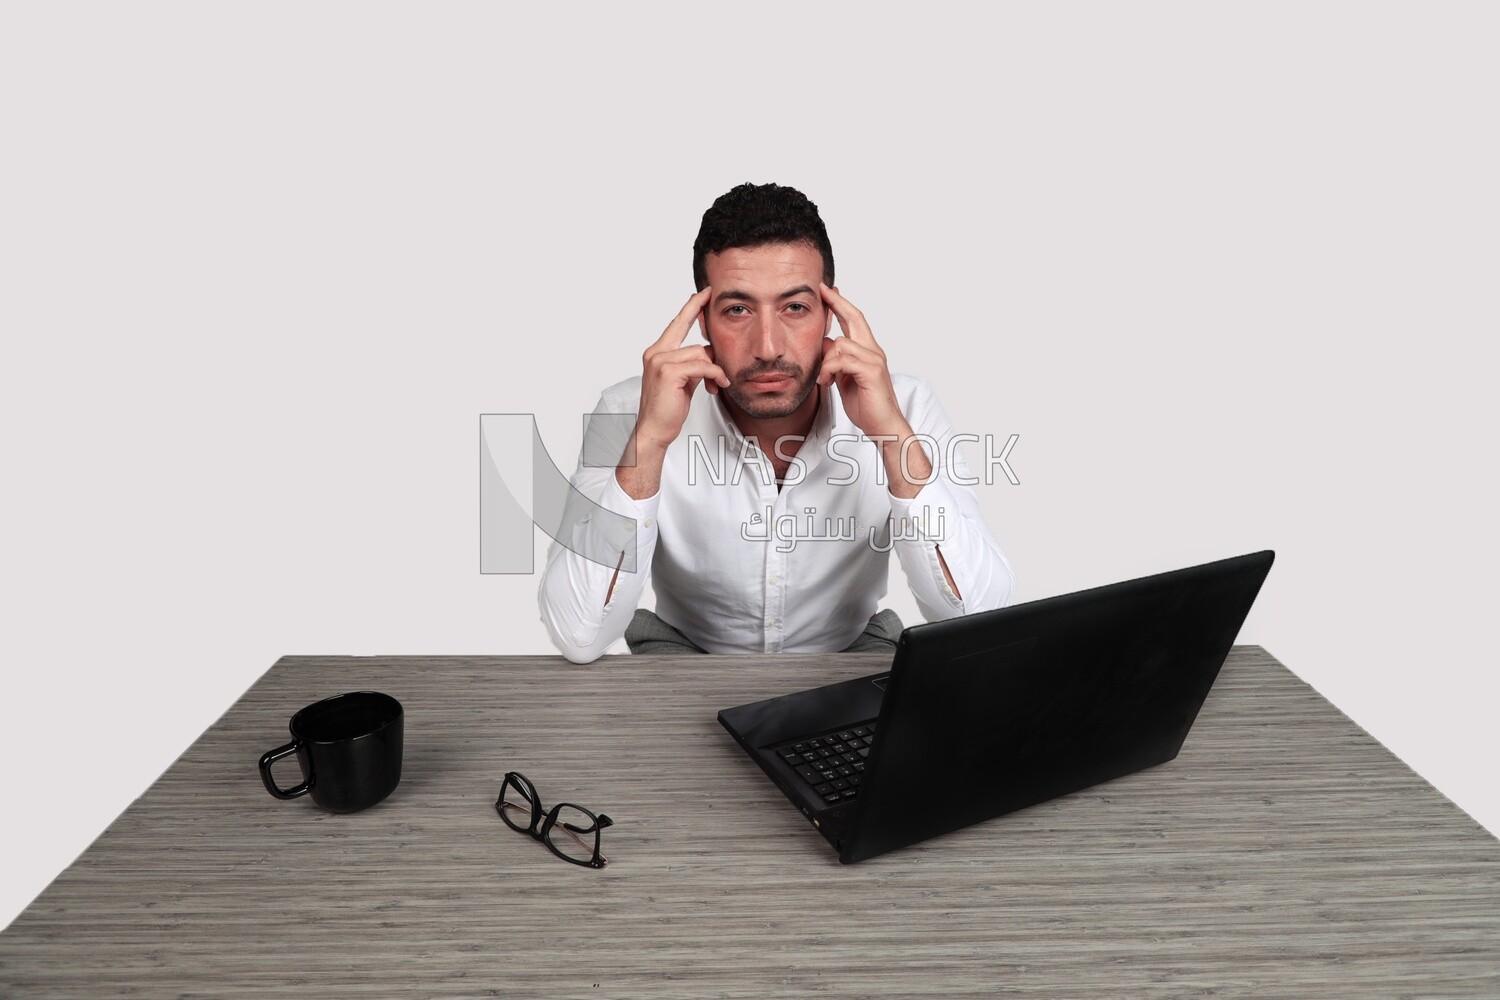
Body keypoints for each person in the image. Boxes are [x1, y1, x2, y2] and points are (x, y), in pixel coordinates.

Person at [538, 182, 1015, 663]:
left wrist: (890, 433)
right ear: (701, 320)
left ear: (830, 313)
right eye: (738, 309)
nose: (768, 346)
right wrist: (650, 440)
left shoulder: (905, 406)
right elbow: (579, 634)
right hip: (681, 662)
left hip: (850, 659)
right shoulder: (628, 411)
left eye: (794, 308)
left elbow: (978, 619)